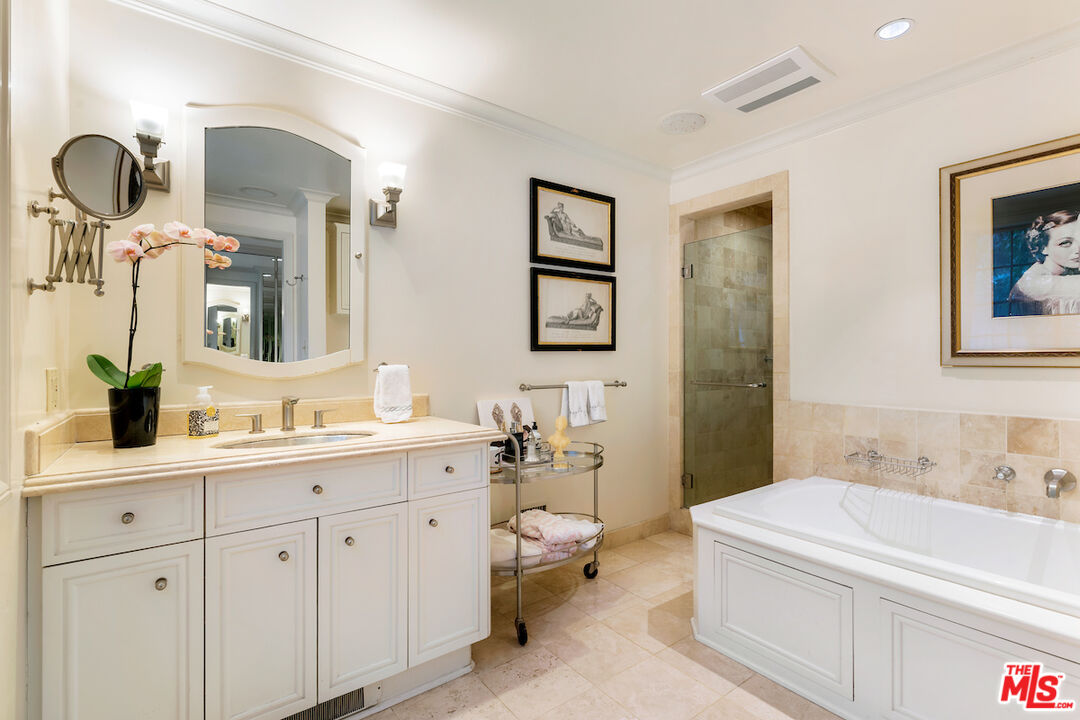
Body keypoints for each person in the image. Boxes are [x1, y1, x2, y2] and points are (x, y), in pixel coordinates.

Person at [1009, 210, 1080, 315]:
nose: (1077, 249)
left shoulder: (1062, 271)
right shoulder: (1034, 282)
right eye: (1065, 243)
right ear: (1043, 248)